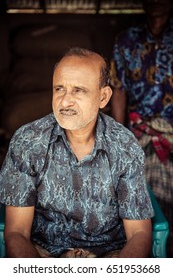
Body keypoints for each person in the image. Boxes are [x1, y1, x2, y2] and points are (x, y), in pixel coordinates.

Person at [0, 47, 154, 258]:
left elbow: (139, 233)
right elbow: (17, 232)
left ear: (103, 97)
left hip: (109, 254)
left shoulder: (124, 145)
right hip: (44, 253)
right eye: (59, 89)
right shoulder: (28, 142)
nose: (65, 101)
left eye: (78, 90)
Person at [110, 0, 173, 257]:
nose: (157, 0)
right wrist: (117, 135)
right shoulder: (127, 40)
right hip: (138, 129)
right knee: (138, 191)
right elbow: (118, 87)